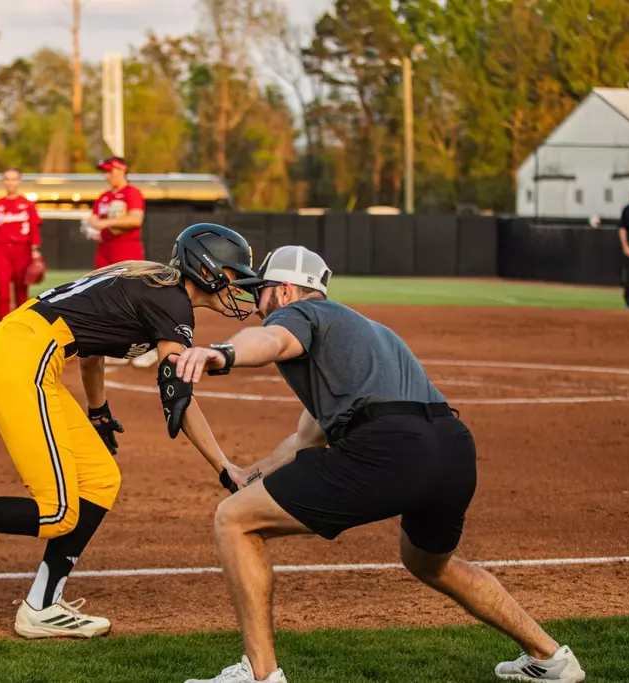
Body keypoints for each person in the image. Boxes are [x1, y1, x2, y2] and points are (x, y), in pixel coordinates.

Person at [175, 246, 586, 683]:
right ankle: (551, 658)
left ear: (288, 290)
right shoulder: (367, 333)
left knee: (234, 522)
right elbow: (306, 438)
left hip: (389, 447)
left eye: (262, 292)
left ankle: (260, 676)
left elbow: (271, 340)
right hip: (451, 447)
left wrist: (223, 354)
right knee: (431, 563)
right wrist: (243, 474)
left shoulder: (299, 316)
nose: (258, 304)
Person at [0, 224, 259, 639]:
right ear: (207, 269)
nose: (240, 285)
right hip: (22, 358)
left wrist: (98, 412)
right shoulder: (172, 302)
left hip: (24, 351)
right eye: (235, 274)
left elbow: (93, 352)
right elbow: (178, 397)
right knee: (56, 511)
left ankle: (41, 607)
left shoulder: (154, 286)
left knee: (99, 480)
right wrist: (224, 466)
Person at [84, 156, 156, 369]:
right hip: (105, 250)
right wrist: (102, 226)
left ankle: (151, 348)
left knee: (134, 300)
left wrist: (104, 223)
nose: (106, 175)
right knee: (108, 301)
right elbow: (91, 221)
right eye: (104, 172)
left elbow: (134, 220)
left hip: (126, 249)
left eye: (109, 171)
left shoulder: (132, 193)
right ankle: (120, 348)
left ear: (121, 169)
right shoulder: (104, 196)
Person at [0, 168, 44, 320]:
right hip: (1, 251)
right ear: (3, 181)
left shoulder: (28, 205)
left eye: (14, 179)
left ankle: (20, 328)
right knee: (3, 294)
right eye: (7, 179)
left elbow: (34, 231)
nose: (10, 182)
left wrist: (35, 253)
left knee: (22, 293)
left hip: (23, 251)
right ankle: (4, 328)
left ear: (19, 181)